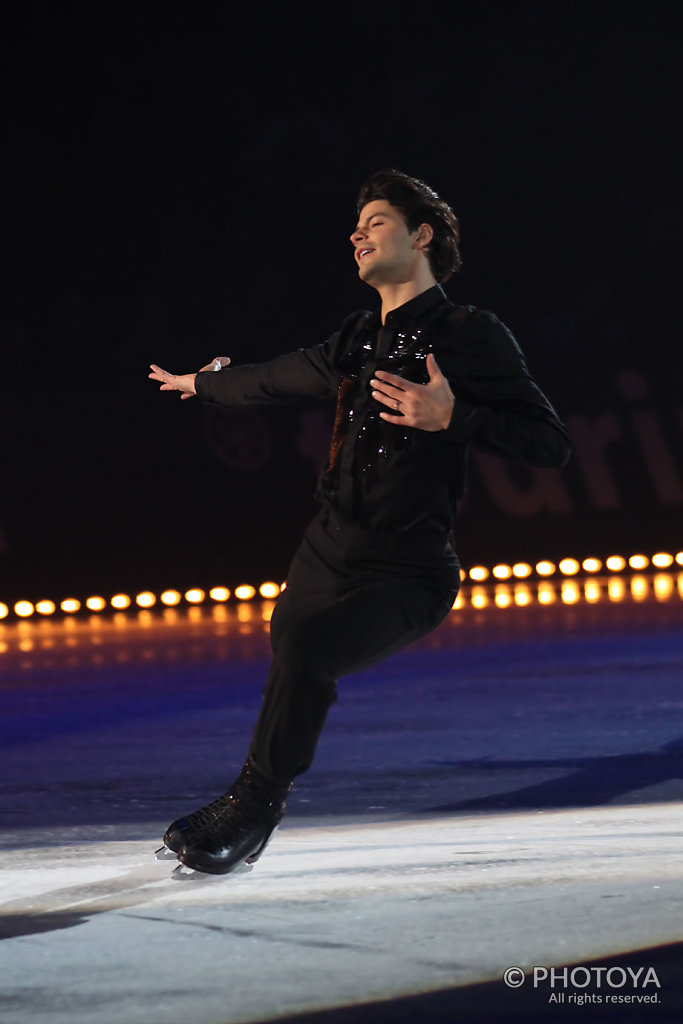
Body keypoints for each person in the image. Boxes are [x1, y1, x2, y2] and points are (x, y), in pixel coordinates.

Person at [149, 169, 571, 875]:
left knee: (308, 651)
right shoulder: (355, 338)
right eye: (356, 225)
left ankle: (253, 808)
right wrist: (202, 384)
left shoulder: (469, 335)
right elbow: (278, 376)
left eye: (375, 222)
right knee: (292, 644)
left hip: (408, 569)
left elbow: (549, 442)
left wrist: (452, 417)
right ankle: (244, 795)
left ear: (421, 236)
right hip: (326, 548)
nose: (357, 233)